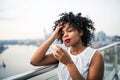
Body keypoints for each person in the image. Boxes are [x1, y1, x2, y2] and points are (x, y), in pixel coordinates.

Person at [30, 12, 104, 80]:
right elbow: (34, 61)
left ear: (81, 32)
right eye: (62, 33)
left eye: (69, 30)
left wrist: (69, 63)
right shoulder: (63, 52)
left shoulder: (95, 56)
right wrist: (52, 37)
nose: (65, 35)